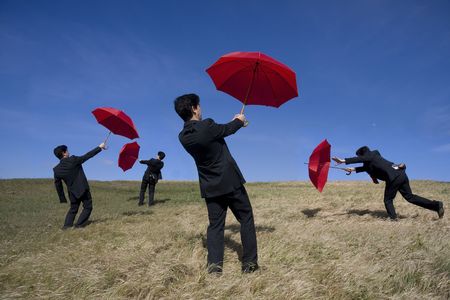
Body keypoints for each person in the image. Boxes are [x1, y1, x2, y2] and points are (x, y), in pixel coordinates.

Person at [174, 93, 258, 274]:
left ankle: (214, 268)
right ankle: (249, 265)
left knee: (215, 227)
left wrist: (234, 122)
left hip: (210, 187)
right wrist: (240, 120)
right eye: (199, 105)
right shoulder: (207, 125)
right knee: (246, 218)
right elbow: (227, 129)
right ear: (194, 108)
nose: (201, 109)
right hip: (230, 182)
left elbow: (218, 131)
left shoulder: (183, 137)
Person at [332, 146, 444, 220]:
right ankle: (436, 205)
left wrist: (343, 161)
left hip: (393, 177)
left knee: (388, 200)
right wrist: (352, 169)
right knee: (410, 197)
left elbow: (363, 160)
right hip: (401, 175)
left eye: (359, 156)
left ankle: (394, 219)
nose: (360, 158)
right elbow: (365, 167)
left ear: (363, 154)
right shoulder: (372, 160)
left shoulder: (372, 154)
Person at [53, 142, 107, 229]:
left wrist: (62, 198)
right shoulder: (73, 160)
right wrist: (100, 147)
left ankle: (66, 226)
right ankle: (79, 225)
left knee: (73, 209)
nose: (68, 152)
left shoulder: (56, 170)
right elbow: (87, 156)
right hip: (83, 189)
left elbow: (58, 185)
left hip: (72, 193)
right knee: (88, 207)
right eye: (67, 151)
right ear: (64, 153)